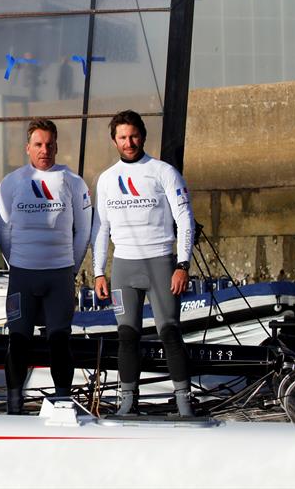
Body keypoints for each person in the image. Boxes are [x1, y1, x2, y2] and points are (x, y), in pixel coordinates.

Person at [90, 110, 195, 416]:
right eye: (122, 137)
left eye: (133, 135)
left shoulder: (163, 172)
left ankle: (183, 401)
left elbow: (185, 220)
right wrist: (98, 272)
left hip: (160, 263)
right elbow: (101, 229)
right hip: (124, 266)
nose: (129, 142)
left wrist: (183, 264)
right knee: (126, 336)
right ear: (114, 140)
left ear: (143, 136)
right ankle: (127, 402)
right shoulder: (107, 179)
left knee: (170, 331)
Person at [0, 119, 91, 414]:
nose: (44, 150)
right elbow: (4, 233)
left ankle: (62, 402)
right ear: (28, 148)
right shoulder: (12, 183)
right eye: (38, 144)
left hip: (59, 274)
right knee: (18, 340)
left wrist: (70, 268)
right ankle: (15, 404)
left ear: (57, 146)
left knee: (60, 340)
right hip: (23, 274)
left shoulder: (72, 181)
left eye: (50, 144)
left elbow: (83, 231)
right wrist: (20, 263)